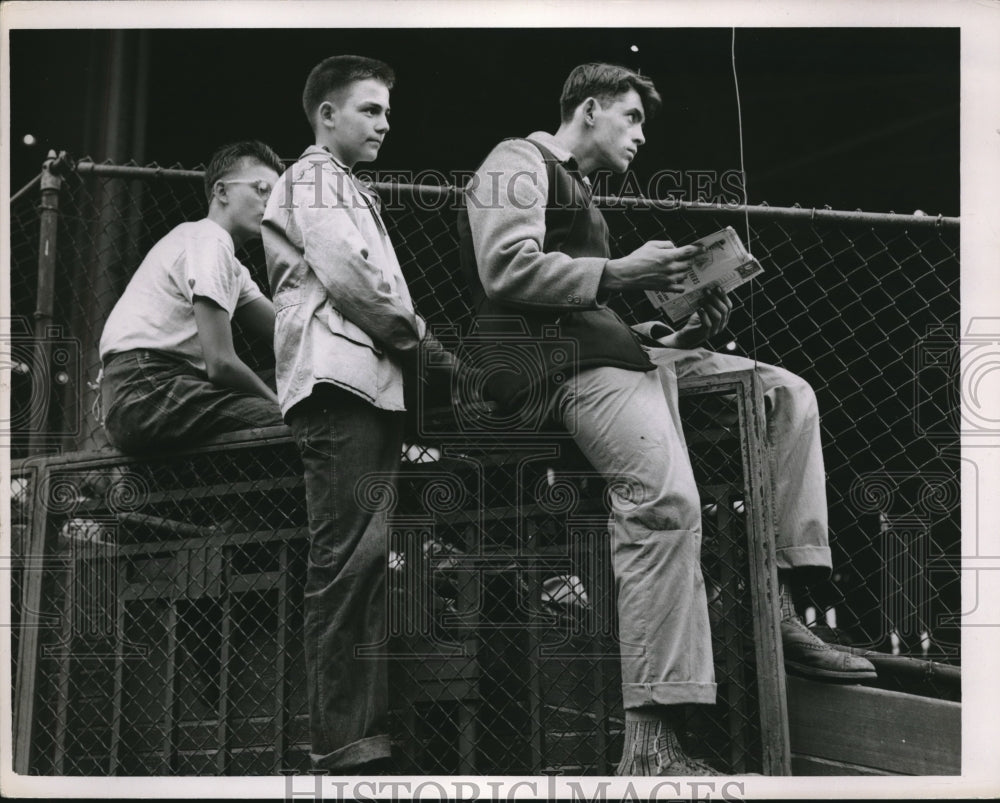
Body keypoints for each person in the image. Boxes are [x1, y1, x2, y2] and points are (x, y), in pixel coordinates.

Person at [457, 62, 877, 776]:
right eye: (632, 118)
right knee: (663, 502)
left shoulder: (584, 191)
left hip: (619, 349)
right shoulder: (515, 158)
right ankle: (649, 746)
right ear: (588, 109)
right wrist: (625, 271)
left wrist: (682, 328)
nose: (642, 135)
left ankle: (778, 601)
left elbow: (596, 305)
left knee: (786, 394)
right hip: (556, 363)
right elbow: (506, 269)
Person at [262, 55, 426, 774]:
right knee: (347, 566)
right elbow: (353, 273)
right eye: (370, 109)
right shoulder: (315, 176)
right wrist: (418, 337)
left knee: (361, 565)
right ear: (327, 115)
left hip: (360, 382)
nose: (385, 123)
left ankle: (360, 740)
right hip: (340, 385)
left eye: (387, 111)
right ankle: (344, 749)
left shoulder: (339, 182)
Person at [98, 140, 284, 453]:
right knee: (293, 422)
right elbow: (221, 364)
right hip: (146, 388)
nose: (270, 203)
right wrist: (280, 408)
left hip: (154, 390)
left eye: (276, 196)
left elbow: (288, 335)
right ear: (222, 192)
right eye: (261, 189)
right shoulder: (209, 241)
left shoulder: (226, 263)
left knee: (296, 386)